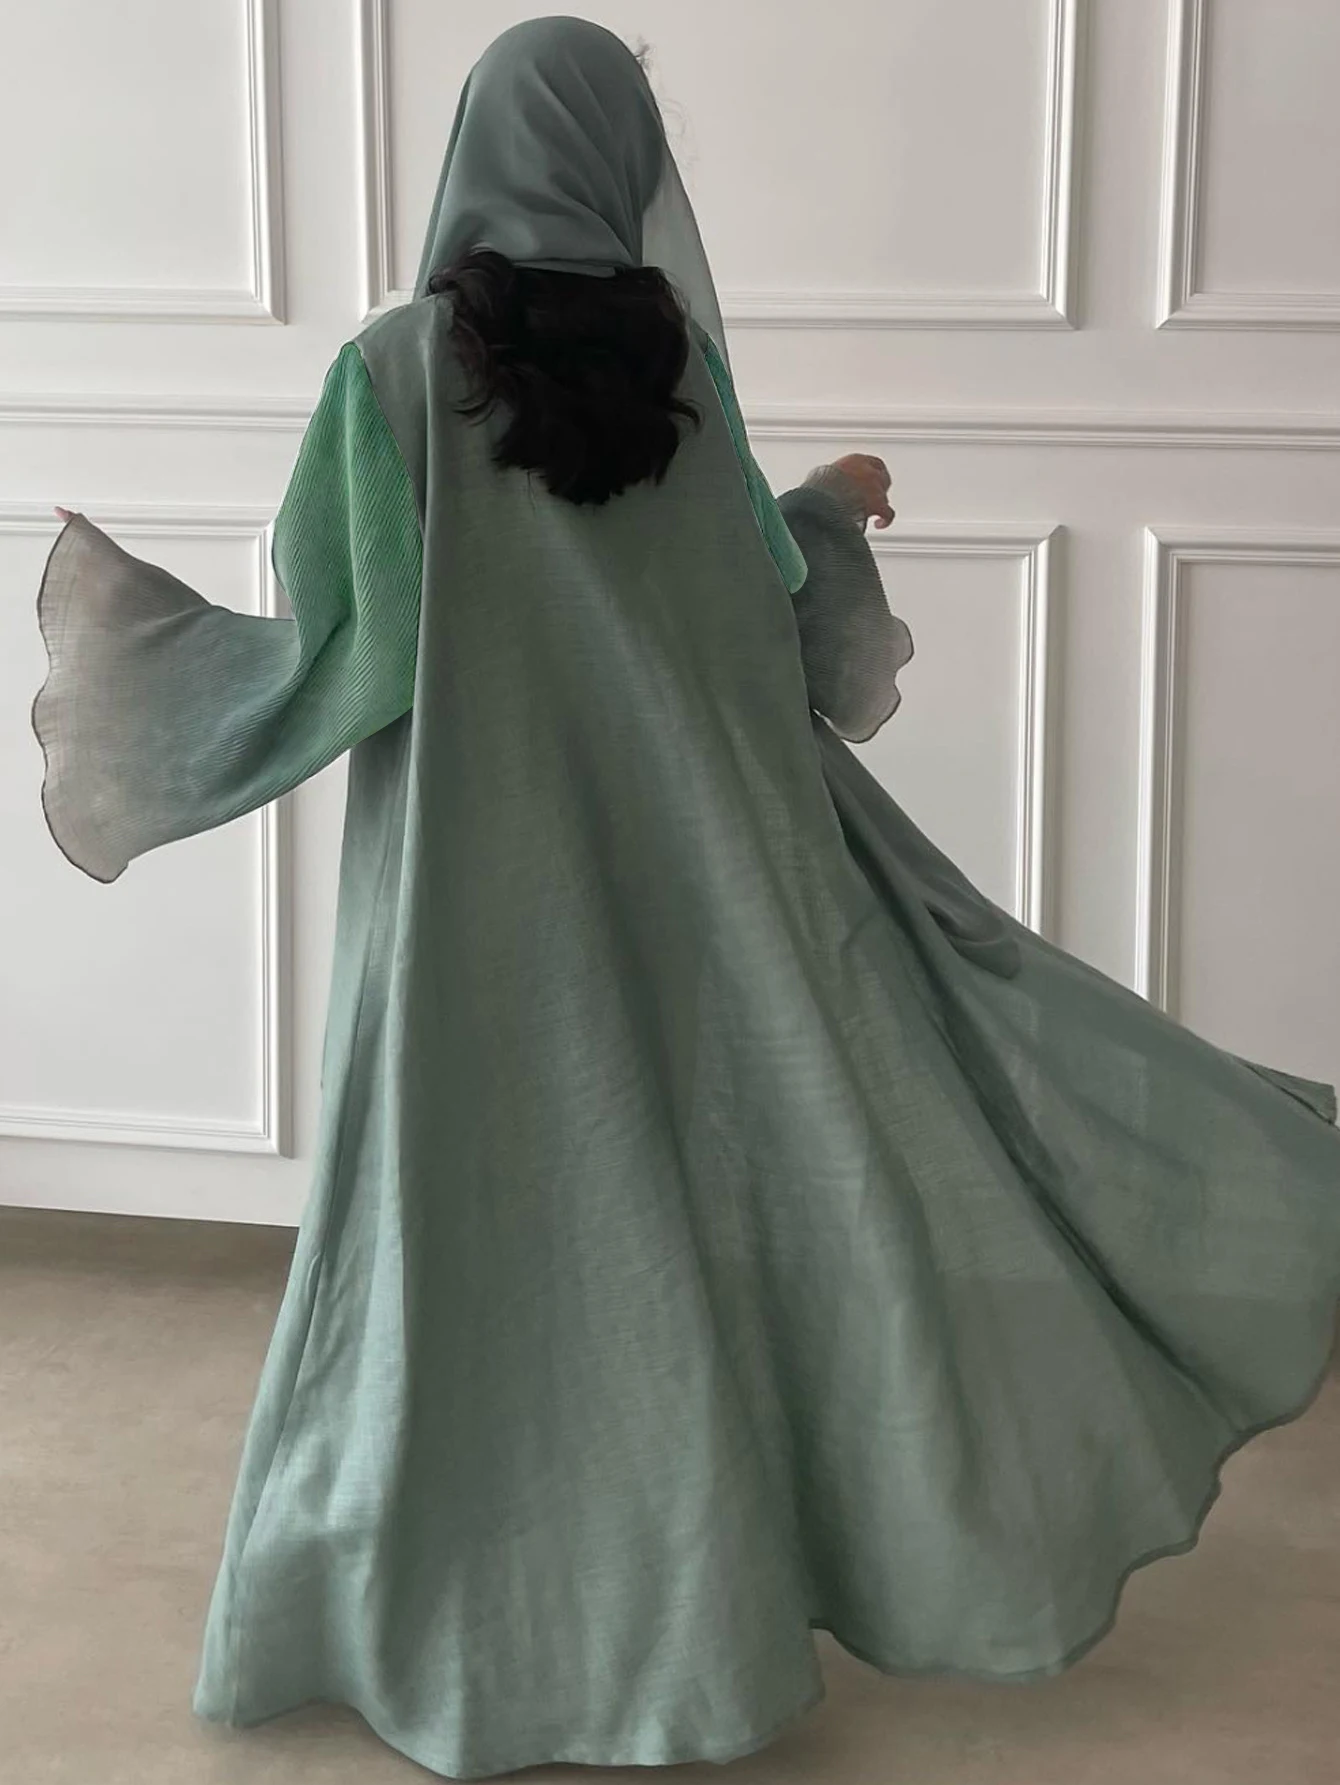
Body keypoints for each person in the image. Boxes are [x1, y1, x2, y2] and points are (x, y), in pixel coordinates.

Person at [31, 16, 1340, 1780]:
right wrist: (832, 506)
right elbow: (752, 622)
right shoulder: (680, 379)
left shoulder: (394, 374)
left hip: (466, 902)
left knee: (455, 1227)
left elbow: (350, 644)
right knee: (663, 1232)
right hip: (694, 885)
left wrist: (147, 650)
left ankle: (437, 1610)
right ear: (618, 159)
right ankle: (692, 1630)